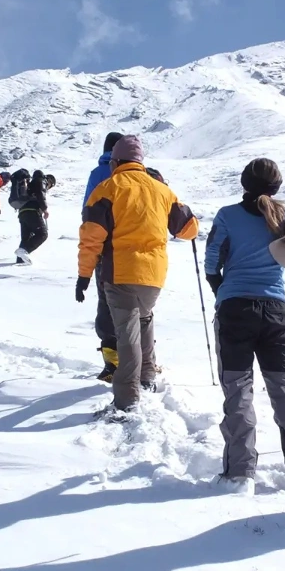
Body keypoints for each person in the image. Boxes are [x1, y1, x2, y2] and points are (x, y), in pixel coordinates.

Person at [203, 158, 285, 495]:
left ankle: (240, 475)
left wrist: (221, 289)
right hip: (275, 311)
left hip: (236, 308)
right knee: (284, 390)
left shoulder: (228, 215)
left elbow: (212, 260)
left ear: (243, 183)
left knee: (238, 389)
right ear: (277, 186)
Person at [77, 136, 199, 414]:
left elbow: (91, 238)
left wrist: (84, 275)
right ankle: (147, 376)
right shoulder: (162, 190)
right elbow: (188, 230)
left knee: (126, 331)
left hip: (119, 271)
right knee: (144, 318)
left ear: (115, 161)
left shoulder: (107, 189)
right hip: (154, 274)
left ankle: (126, 399)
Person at [84, 131, 124, 380]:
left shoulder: (97, 174)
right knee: (137, 306)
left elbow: (87, 213)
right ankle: (141, 363)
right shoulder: (137, 173)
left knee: (106, 302)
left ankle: (112, 365)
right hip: (133, 250)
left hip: (104, 249)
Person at [15, 171, 54, 265]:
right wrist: (45, 209)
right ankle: (25, 251)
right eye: (50, 186)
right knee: (43, 234)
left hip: (22, 213)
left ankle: (20, 261)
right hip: (32, 212)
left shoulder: (29, 184)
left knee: (26, 238)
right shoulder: (41, 181)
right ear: (50, 181)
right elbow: (41, 195)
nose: (48, 188)